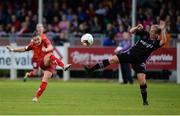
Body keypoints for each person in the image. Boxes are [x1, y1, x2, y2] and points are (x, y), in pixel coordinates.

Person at [84, 21, 167, 105]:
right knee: (112, 60)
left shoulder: (156, 43)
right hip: (130, 54)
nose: (150, 31)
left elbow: (164, 41)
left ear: (156, 34)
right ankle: (90, 70)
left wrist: (163, 30)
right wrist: (136, 27)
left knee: (142, 81)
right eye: (151, 30)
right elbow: (131, 31)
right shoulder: (145, 34)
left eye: (152, 31)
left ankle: (145, 101)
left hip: (140, 61)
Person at [6, 31, 71, 102]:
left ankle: (36, 97)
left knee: (45, 80)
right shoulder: (32, 45)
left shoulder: (45, 40)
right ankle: (63, 66)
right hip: (42, 62)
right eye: (35, 40)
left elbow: (50, 46)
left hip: (51, 64)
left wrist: (46, 49)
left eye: (37, 39)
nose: (36, 41)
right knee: (50, 55)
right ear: (32, 40)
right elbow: (23, 49)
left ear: (40, 37)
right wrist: (12, 50)